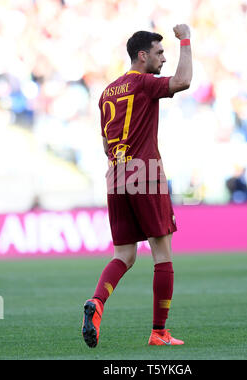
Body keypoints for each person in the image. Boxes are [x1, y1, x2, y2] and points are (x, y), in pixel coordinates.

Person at [82, 24, 192, 347]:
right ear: (142, 56)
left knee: (124, 255)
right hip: (145, 172)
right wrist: (185, 39)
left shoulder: (107, 93)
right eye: (159, 53)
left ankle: (97, 303)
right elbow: (184, 81)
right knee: (162, 253)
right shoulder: (144, 84)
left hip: (115, 175)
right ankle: (159, 332)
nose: (163, 59)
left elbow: (105, 143)